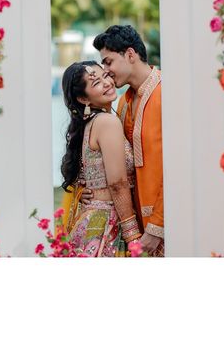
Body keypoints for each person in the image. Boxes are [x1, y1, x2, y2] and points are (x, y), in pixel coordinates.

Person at [86, 25, 164, 257]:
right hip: (136, 228)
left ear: (130, 54)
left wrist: (158, 226)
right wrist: (91, 189)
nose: (106, 71)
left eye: (108, 62)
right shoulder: (123, 104)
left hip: (167, 224)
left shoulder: (166, 93)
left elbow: (179, 164)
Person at [60, 60, 141, 257]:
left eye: (104, 76)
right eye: (95, 83)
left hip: (92, 221)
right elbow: (117, 183)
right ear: (83, 99)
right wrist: (132, 236)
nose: (106, 83)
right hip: (109, 222)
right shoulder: (107, 122)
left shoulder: (90, 124)